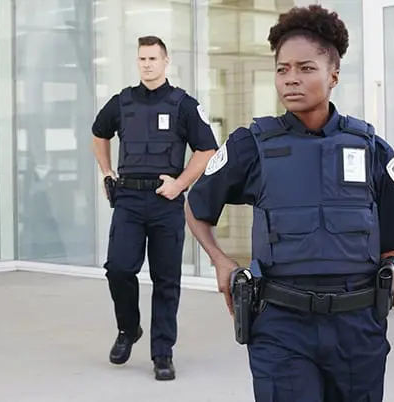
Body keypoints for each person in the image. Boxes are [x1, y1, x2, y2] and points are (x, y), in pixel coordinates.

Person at [184, 5, 394, 401]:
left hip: (358, 331)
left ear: (333, 74)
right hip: (281, 329)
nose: (291, 80)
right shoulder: (252, 145)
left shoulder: (371, 150)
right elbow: (197, 209)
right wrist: (220, 261)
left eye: (305, 68)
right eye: (282, 69)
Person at [91, 35, 219, 381]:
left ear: (166, 62)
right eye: (142, 59)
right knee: (118, 268)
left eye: (153, 58)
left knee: (166, 280)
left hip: (166, 202)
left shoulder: (183, 105)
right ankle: (128, 329)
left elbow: (207, 149)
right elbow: (98, 134)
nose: (147, 64)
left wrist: (180, 184)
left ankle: (162, 352)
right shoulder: (122, 102)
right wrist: (107, 173)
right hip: (129, 199)